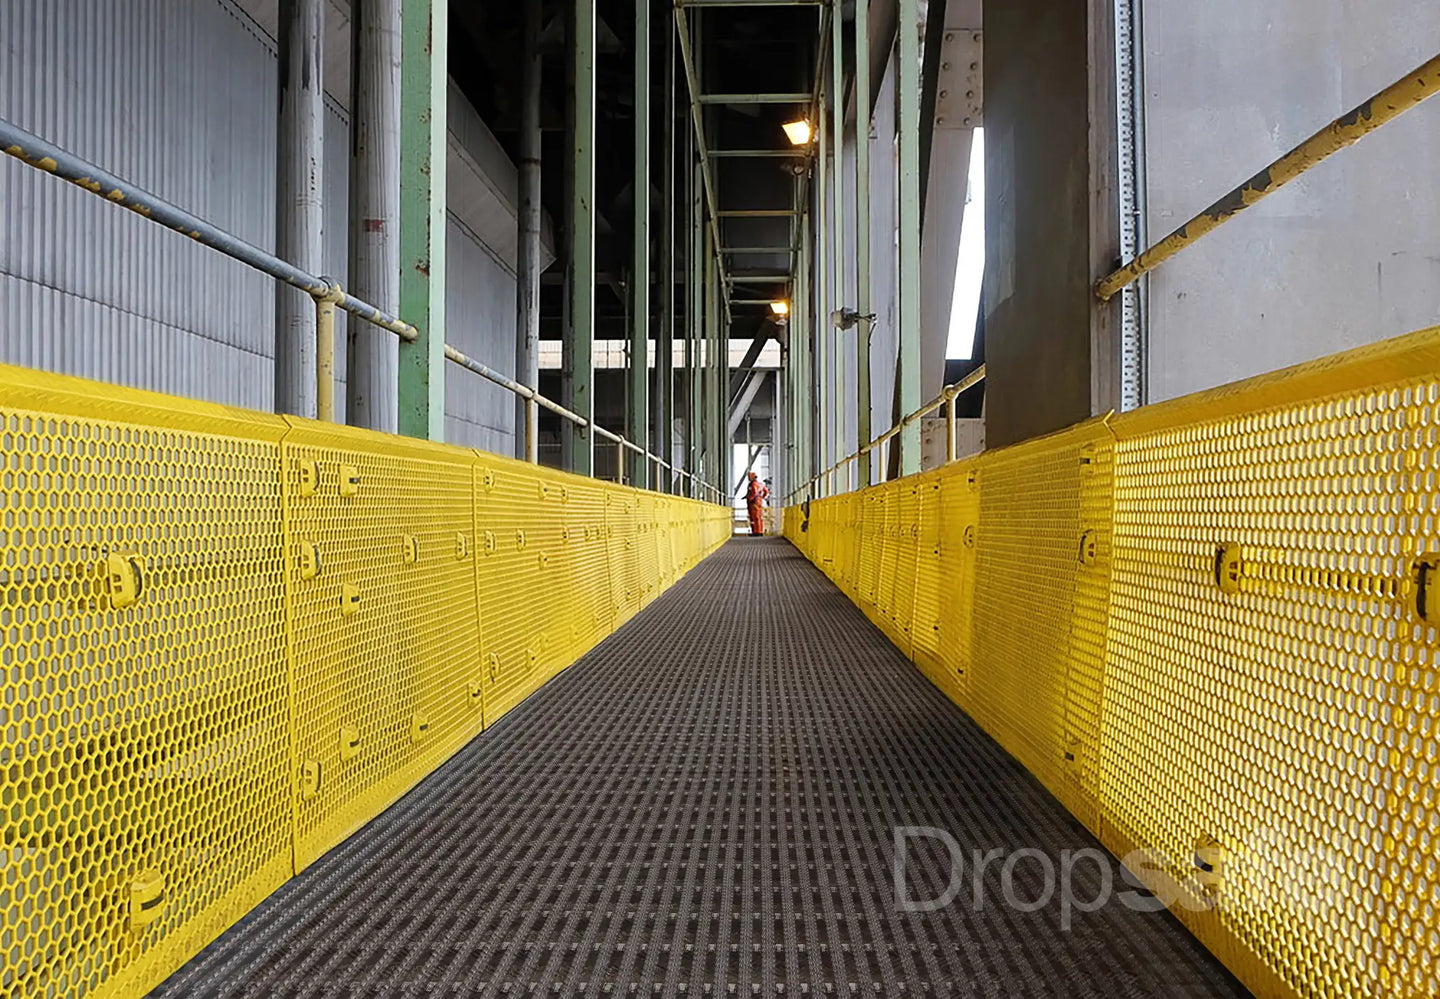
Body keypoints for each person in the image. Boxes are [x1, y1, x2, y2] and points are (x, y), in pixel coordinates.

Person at [745, 471, 768, 536]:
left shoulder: (753, 484)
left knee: (754, 517)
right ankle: (760, 530)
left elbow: (754, 493)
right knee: (759, 517)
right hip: (758, 502)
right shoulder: (761, 484)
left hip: (753, 503)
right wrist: (761, 497)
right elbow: (766, 491)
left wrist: (751, 499)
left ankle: (756, 532)